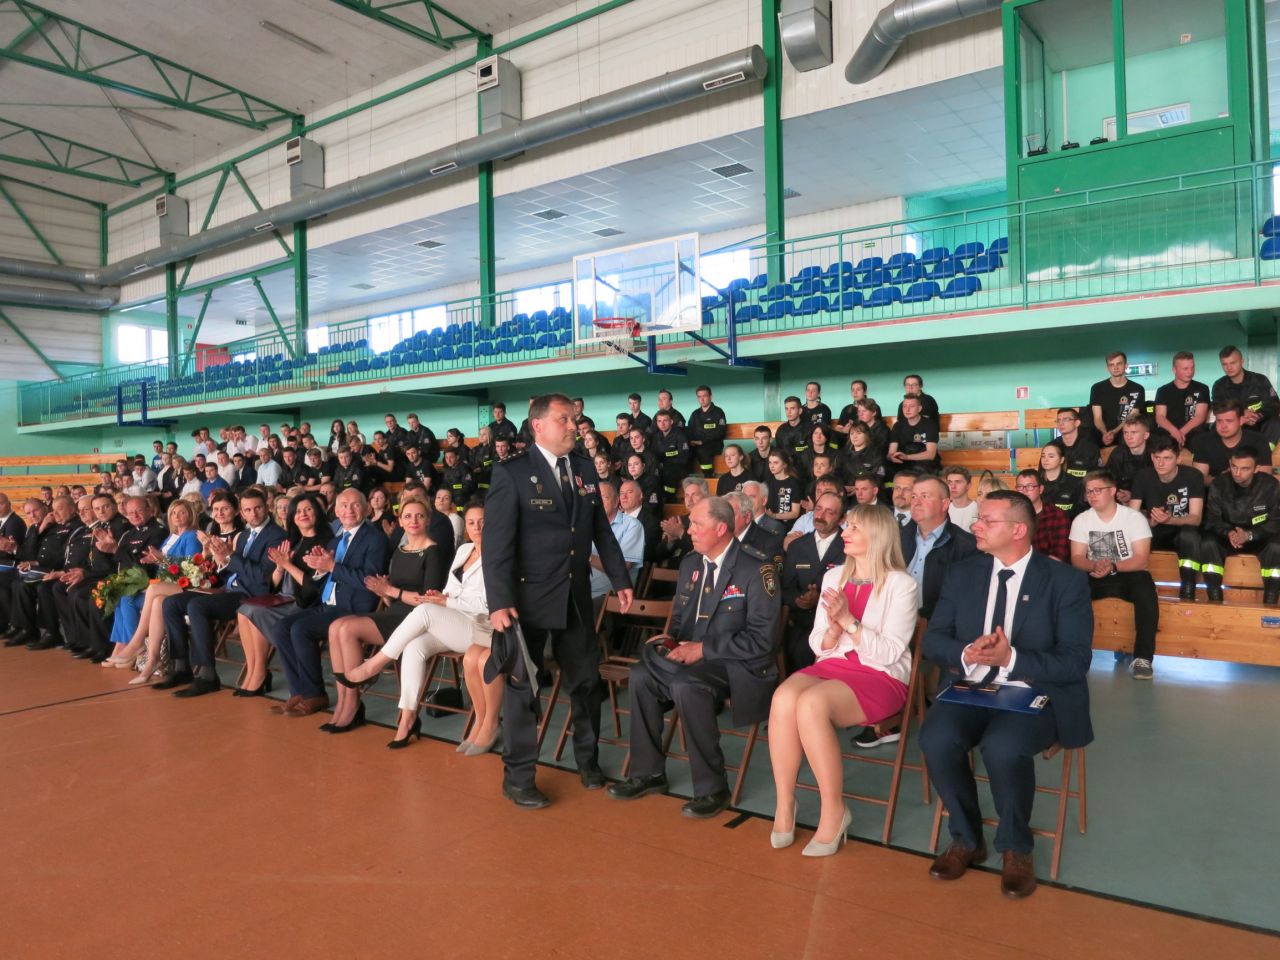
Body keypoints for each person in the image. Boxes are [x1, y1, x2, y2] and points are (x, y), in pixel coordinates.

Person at [919, 490, 1093, 899]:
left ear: (1018, 530)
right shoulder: (963, 574)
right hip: (971, 686)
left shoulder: (1065, 582)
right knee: (935, 738)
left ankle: (1016, 847)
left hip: (1034, 692)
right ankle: (966, 838)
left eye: (987, 520)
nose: (976, 526)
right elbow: (934, 640)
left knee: (1003, 746)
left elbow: (1074, 662)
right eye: (978, 518)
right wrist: (967, 652)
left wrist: (1011, 657)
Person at [483, 393, 633, 809]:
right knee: (523, 687)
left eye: (575, 419)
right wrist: (498, 602)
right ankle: (518, 779)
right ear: (538, 426)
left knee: (585, 682)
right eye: (564, 419)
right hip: (526, 600)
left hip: (575, 595)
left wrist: (620, 578)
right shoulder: (512, 472)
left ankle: (588, 761)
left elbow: (600, 530)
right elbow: (496, 544)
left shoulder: (583, 468)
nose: (573, 426)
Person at [607, 497, 780, 818]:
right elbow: (680, 620)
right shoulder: (690, 563)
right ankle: (648, 773)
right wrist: (668, 641)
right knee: (641, 676)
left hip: (738, 665)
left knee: (687, 685)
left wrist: (703, 650)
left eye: (697, 524)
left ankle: (713, 788)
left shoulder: (757, 569)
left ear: (721, 528)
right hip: (691, 658)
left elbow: (762, 641)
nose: (689, 530)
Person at [768, 502, 919, 855]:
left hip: (880, 675)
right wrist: (833, 633)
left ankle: (834, 811)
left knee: (812, 704)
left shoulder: (902, 584)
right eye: (846, 526)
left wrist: (849, 622)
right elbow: (817, 643)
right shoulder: (834, 576)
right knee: (783, 698)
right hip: (834, 665)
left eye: (853, 528)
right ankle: (785, 803)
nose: (844, 533)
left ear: (877, 535)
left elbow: (888, 653)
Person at [343, 501, 498, 751]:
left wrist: (447, 602)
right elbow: (451, 588)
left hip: (482, 627)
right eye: (471, 523)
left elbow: (490, 603)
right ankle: (407, 719)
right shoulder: (464, 550)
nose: (477, 527)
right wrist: (442, 597)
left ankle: (374, 665)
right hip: (455, 621)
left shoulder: (498, 555)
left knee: (425, 610)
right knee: (414, 646)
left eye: (482, 522)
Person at [323, 498, 448, 732]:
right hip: (396, 611)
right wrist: (383, 591)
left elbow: (428, 600)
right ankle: (343, 701)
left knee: (347, 629)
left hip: (417, 619)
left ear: (428, 520)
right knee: (335, 626)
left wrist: (391, 591)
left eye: (419, 516)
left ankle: (352, 704)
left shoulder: (433, 552)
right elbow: (394, 593)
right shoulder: (400, 551)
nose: (413, 520)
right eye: (408, 516)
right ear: (400, 521)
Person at [269, 489, 389, 717]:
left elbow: (370, 581)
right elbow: (325, 577)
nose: (349, 510)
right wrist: (319, 569)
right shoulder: (337, 539)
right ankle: (299, 691)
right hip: (329, 604)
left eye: (355, 505)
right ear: (337, 511)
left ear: (366, 509)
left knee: (301, 629)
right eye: (344, 505)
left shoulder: (375, 539)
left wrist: (332, 566)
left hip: (353, 608)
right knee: (281, 627)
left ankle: (315, 694)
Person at [156, 488, 288, 696]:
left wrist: (230, 556)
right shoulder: (245, 535)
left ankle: (207, 675)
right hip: (230, 588)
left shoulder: (276, 535)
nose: (253, 514)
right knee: (171, 603)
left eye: (258, 508)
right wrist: (220, 558)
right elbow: (232, 569)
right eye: (248, 510)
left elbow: (262, 578)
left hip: (252, 594)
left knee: (197, 606)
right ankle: (180, 666)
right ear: (242, 513)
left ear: (267, 508)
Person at [232, 492, 329, 696]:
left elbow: (313, 589)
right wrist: (279, 567)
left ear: (317, 513)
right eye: (298, 511)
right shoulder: (294, 541)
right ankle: (254, 670)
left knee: (255, 612)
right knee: (244, 609)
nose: (303, 514)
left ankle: (259, 674)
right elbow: (274, 584)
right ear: (292, 517)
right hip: (284, 596)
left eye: (308, 509)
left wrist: (287, 565)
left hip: (305, 601)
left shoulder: (324, 543)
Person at [1069, 471, 1158, 680]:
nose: (1092, 495)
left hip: (1127, 573)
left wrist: (1113, 566)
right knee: (1071, 587)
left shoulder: (1133, 518)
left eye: (1097, 490)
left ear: (1112, 491)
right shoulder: (1081, 520)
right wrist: (1093, 565)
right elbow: (1077, 558)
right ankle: (1074, 655)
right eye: (1089, 491)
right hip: (1095, 574)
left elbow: (1141, 559)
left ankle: (1143, 658)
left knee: (1145, 586)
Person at [103, 499, 201, 670]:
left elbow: (191, 567)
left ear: (191, 515)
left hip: (179, 587)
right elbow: (162, 562)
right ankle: (126, 646)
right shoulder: (172, 536)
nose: (177, 516)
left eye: (182, 512)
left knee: (129, 598)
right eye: (173, 513)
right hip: (162, 585)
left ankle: (135, 646)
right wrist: (155, 560)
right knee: (123, 596)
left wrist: (163, 560)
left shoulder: (191, 536)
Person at [1128, 435, 1204, 601]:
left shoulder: (1193, 476)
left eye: (1167, 458)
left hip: (1182, 530)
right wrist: (1151, 522)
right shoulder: (1143, 475)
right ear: (1151, 457)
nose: (1160, 463)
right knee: (1133, 534)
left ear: (1178, 458)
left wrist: (1170, 520)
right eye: (1157, 458)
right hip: (1155, 529)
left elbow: (1196, 518)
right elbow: (1131, 517)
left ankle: (1188, 588)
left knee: (1190, 535)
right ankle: (1137, 586)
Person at [1200, 448, 1280, 605]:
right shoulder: (1219, 483)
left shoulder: (1270, 485)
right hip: (1228, 537)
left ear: (1256, 469)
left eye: (1245, 469)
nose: (1237, 473)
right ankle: (1214, 600)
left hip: (1260, 537)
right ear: (1230, 464)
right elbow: (1212, 520)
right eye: (1234, 467)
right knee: (1208, 542)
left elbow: (1274, 523)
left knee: (1277, 546)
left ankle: (1270, 602)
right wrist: (1229, 533)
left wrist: (1249, 535)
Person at [779, 491, 845, 674]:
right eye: (818, 509)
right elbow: (785, 590)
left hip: (837, 624)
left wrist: (819, 599)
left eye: (829, 512)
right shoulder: (797, 546)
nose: (820, 516)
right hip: (800, 622)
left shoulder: (849, 546)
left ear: (842, 519)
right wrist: (800, 600)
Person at [589, 480, 644, 608]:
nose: (598, 502)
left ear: (616, 501)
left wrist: (587, 556)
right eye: (596, 498)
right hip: (580, 591)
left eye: (604, 497)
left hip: (610, 597)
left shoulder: (632, 525)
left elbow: (623, 566)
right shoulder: (587, 524)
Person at [1212, 344, 1280, 443]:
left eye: (1233, 363)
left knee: (1275, 422)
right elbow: (1217, 409)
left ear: (1242, 362)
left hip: (1259, 423)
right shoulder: (1219, 386)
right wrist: (1241, 415)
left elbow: (1274, 404)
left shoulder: (1260, 380)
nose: (1229, 367)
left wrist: (1257, 416)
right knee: (1215, 427)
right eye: (1224, 364)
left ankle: (1266, 450)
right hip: (1234, 425)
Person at [1191, 400, 1270, 480]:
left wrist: (1236, 479)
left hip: (1252, 488)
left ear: (1241, 420)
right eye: (1219, 421)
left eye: (1229, 421)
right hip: (1216, 487)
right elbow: (1199, 479)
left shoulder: (1258, 440)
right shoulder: (1203, 440)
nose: (1223, 426)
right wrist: (1224, 480)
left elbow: (1265, 479)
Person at [1089, 351, 1146, 447]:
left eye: (1119, 364)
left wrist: (1114, 432)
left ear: (1126, 366)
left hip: (1126, 434)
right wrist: (1105, 433)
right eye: (1111, 365)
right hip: (1102, 434)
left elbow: (1132, 416)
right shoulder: (1097, 388)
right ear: (1107, 368)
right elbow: (1097, 418)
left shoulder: (1137, 389)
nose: (1115, 368)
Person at [1154, 351, 1210, 447]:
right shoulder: (1163, 391)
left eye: (1192, 368)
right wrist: (1174, 432)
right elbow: (1160, 417)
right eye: (1185, 369)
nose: (1190, 372)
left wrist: (1180, 434)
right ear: (1174, 370)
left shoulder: (1202, 388)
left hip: (1195, 435)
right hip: (1170, 434)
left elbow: (1200, 416)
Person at [1014, 470, 1070, 563]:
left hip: (1048, 568)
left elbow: (1058, 554)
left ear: (1041, 489)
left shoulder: (1057, 516)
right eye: (1020, 487)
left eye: (1030, 486)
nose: (1024, 491)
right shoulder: (1011, 516)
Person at [887, 395, 940, 473]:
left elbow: (930, 454)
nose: (907, 409)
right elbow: (891, 452)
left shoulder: (930, 424)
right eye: (904, 406)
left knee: (920, 469)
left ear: (919, 408)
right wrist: (892, 457)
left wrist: (907, 457)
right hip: (904, 460)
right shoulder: (898, 425)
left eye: (911, 406)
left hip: (924, 462)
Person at [651, 410, 692, 503]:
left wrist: (665, 463)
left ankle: (670, 499)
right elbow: (654, 455)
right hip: (662, 466)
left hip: (679, 468)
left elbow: (684, 457)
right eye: (659, 421)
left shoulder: (680, 435)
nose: (662, 424)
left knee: (668, 473)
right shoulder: (656, 437)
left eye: (665, 420)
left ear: (671, 422)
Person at [1048, 408, 1101, 479]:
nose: (1061, 423)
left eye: (1066, 420)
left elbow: (1097, 477)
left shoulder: (1090, 448)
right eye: (1058, 420)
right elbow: (1043, 476)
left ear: (1077, 423)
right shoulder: (1051, 447)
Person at [618, 479, 662, 564]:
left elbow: (647, 554)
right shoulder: (616, 518)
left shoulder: (652, 522)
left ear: (641, 495)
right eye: (621, 493)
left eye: (629, 492)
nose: (624, 497)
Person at [687, 385, 727, 477]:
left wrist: (703, 441)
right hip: (697, 445)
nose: (702, 399)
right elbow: (689, 430)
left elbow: (720, 432)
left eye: (704, 396)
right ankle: (685, 477)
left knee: (702, 451)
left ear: (710, 397)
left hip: (714, 445)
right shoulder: (695, 414)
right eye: (699, 397)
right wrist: (691, 441)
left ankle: (709, 476)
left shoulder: (718, 412)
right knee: (684, 450)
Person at [1038, 443, 1083, 518]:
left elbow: (1080, 509)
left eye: (1051, 456)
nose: (1045, 460)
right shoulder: (1035, 481)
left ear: (1061, 460)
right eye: (1043, 456)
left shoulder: (1075, 482)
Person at [764, 451, 803, 528]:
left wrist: (774, 516)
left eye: (775, 463)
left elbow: (795, 513)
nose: (772, 466)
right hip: (770, 524)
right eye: (770, 463)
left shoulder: (794, 483)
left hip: (789, 526)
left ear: (784, 465)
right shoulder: (767, 482)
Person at [774, 396, 809, 463]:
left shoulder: (809, 429)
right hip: (786, 467)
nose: (788, 412)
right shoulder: (781, 430)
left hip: (805, 467)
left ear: (800, 411)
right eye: (786, 409)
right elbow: (779, 454)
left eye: (792, 408)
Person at [944, 466, 977, 531]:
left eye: (958, 482)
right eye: (950, 482)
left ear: (968, 485)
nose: (953, 486)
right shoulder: (944, 508)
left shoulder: (977, 509)